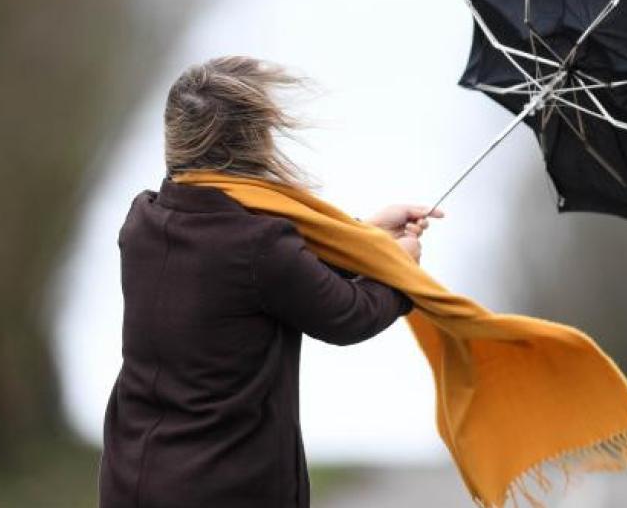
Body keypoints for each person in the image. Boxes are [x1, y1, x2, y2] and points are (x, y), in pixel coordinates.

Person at [97, 56, 442, 508]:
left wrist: (367, 236)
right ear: (254, 142)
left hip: (133, 479)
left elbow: (278, 275)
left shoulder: (144, 219)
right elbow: (348, 313)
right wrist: (402, 270)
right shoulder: (259, 245)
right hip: (223, 488)